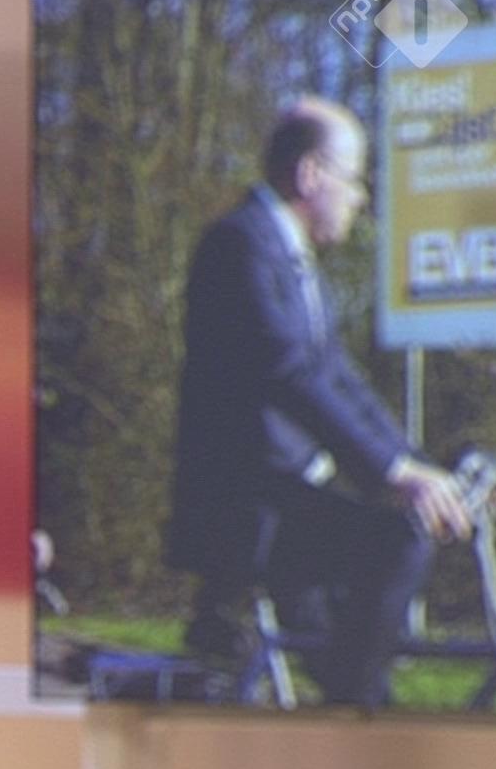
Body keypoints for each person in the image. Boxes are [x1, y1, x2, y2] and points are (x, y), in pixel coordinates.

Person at [164, 96, 474, 708]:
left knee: (345, 648)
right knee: (399, 541)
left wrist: (413, 464)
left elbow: (338, 378)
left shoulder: (290, 259)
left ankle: (356, 704)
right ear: (311, 175)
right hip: (247, 508)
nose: (360, 199)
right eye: (353, 180)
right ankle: (356, 715)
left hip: (286, 497)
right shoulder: (241, 245)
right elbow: (291, 373)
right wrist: (392, 475)